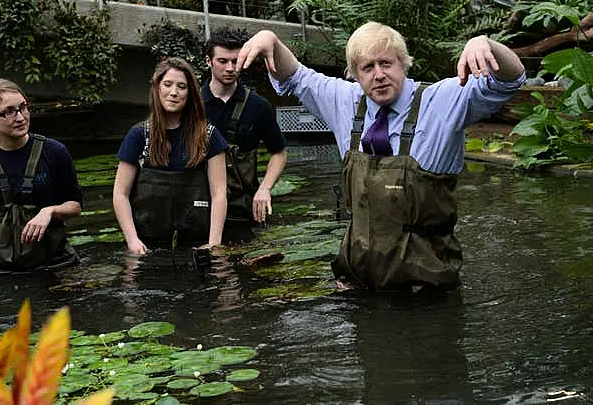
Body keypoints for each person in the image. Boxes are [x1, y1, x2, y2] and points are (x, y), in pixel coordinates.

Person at [236, 22, 525, 292]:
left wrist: (486, 44)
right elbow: (295, 76)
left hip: (424, 288)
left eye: (386, 63)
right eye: (368, 67)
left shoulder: (444, 100)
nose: (378, 74)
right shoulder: (344, 100)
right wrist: (270, 39)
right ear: (355, 73)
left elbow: (510, 81)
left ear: (403, 63)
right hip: (358, 282)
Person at [0, 78, 82, 273]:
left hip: (53, 264)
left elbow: (75, 206)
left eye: (23, 107)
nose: (21, 117)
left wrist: (49, 211)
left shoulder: (54, 152)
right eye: (9, 112)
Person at [113, 57, 228, 256]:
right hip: (146, 246)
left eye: (181, 87)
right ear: (157, 88)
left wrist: (214, 243)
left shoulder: (209, 136)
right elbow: (120, 194)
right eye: (168, 84)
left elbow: (219, 193)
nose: (174, 92)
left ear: (190, 93)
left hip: (197, 245)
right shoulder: (139, 135)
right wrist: (132, 240)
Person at [202, 26, 287, 223]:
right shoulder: (192, 105)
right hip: (200, 208)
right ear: (209, 62)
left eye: (235, 61)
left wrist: (265, 188)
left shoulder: (258, 106)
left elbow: (279, 152)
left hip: (243, 209)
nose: (230, 68)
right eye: (222, 61)